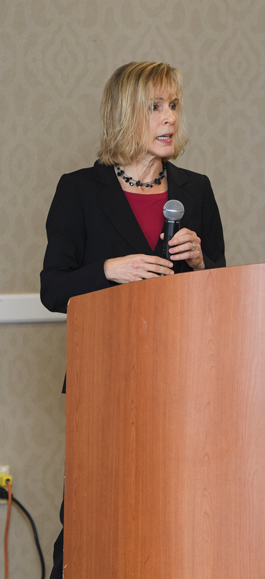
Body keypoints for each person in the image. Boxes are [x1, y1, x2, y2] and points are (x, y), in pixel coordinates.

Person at [40, 61, 226, 579]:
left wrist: (201, 265)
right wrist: (107, 270)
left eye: (173, 106)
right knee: (90, 519)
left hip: (180, 384)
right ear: (126, 114)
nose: (168, 119)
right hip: (105, 384)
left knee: (174, 515)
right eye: (155, 107)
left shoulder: (197, 189)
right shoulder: (79, 190)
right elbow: (53, 288)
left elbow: (220, 296)